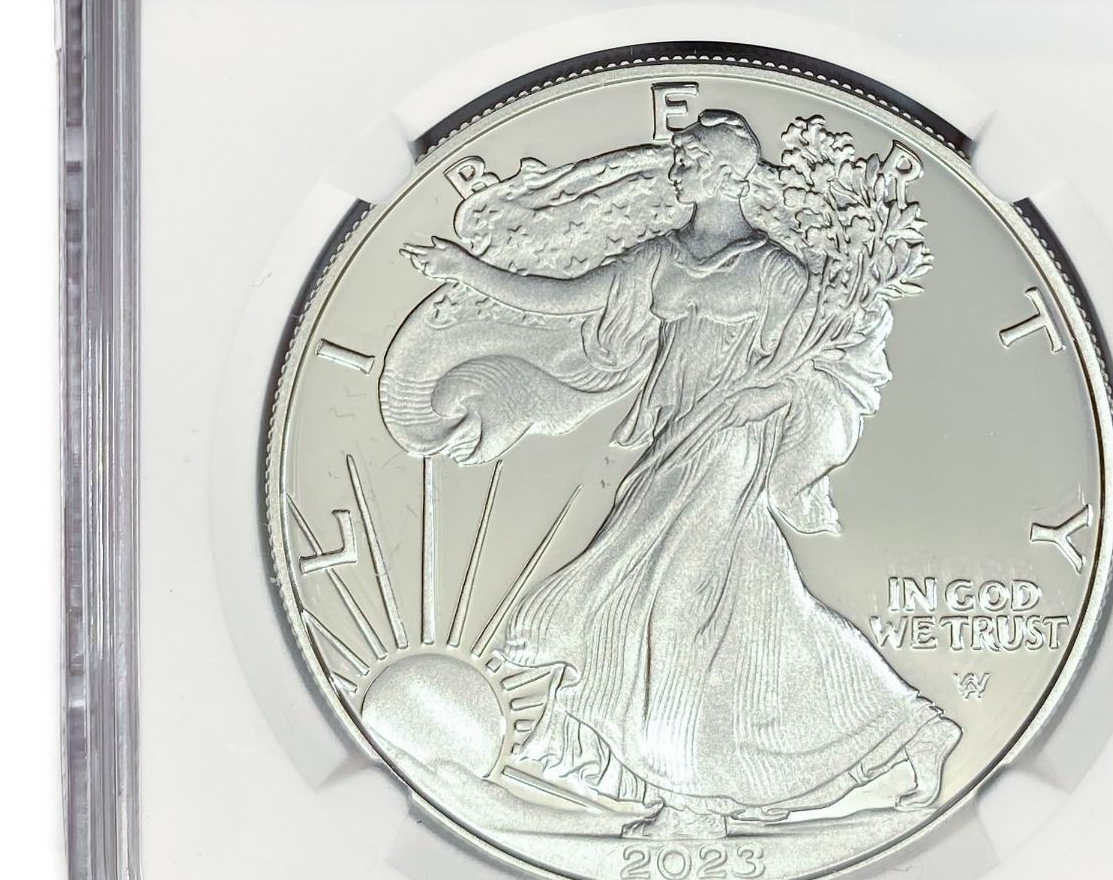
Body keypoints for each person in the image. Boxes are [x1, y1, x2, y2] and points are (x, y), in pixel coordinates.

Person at [400, 109, 959, 837]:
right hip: (673, 446)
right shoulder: (660, 260)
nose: (677, 168)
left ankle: (693, 804)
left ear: (726, 175)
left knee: (668, 609)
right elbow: (564, 299)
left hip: (729, 450)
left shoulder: (775, 273)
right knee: (762, 617)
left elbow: (820, 368)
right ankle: (910, 728)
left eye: (690, 160)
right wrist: (466, 271)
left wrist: (767, 396)